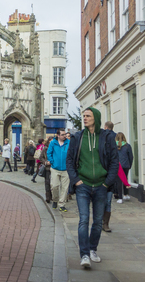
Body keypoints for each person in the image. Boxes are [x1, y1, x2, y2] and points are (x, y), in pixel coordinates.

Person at [67, 107, 119, 268]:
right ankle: (84, 255)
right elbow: (69, 160)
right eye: (84, 116)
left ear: (95, 118)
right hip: (83, 185)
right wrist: (76, 180)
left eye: (88, 116)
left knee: (97, 222)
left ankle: (92, 250)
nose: (85, 118)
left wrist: (106, 183)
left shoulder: (106, 138)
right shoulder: (78, 137)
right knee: (83, 220)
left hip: (101, 186)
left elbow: (114, 161)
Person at [103, 164, 131, 232]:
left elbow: (119, 170)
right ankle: (98, 222)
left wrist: (125, 182)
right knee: (98, 203)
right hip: (97, 184)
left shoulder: (113, 156)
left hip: (109, 184)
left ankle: (105, 224)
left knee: (108, 202)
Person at [47, 129, 70, 212]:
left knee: (65, 188)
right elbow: (49, 153)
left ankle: (62, 204)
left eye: (65, 134)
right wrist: (52, 161)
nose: (64, 136)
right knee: (54, 186)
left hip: (66, 169)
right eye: (63, 134)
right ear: (58, 135)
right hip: (55, 168)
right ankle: (55, 200)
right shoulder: (53, 143)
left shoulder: (68, 143)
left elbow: (71, 153)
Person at [115, 132, 133, 204]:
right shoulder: (128, 146)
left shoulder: (114, 146)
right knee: (125, 179)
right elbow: (131, 157)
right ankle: (126, 194)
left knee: (119, 182)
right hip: (126, 165)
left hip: (118, 166)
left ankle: (120, 198)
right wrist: (130, 165)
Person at [39, 137, 53, 203]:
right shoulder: (45, 149)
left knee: (53, 183)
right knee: (47, 182)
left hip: (55, 168)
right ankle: (48, 196)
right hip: (47, 168)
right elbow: (40, 157)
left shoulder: (56, 148)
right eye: (50, 141)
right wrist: (45, 162)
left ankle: (53, 195)